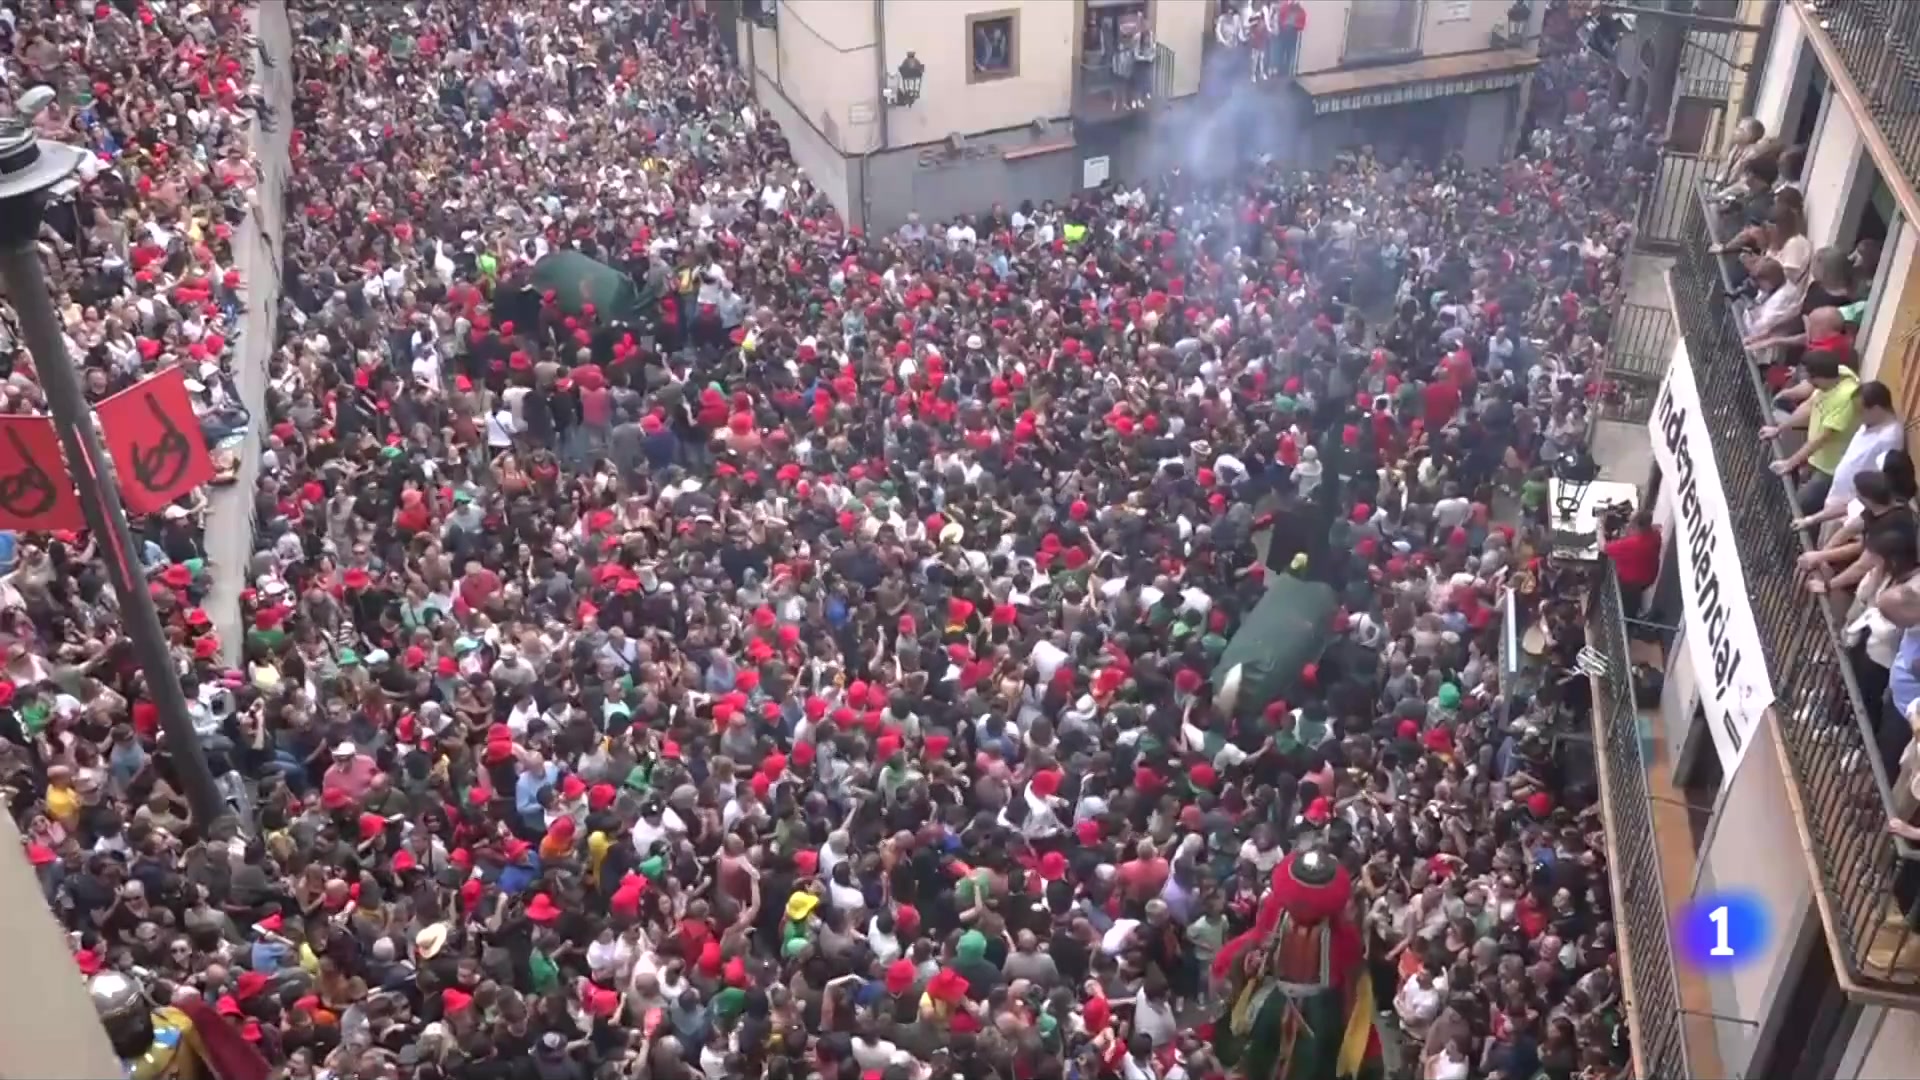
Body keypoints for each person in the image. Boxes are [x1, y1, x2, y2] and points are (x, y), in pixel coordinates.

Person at [1602, 510, 1662, 611]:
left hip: (1631, 585)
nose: (1628, 525)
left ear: (1637, 526)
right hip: (1649, 577)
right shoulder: (1655, 535)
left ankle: (1630, 615)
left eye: (1631, 523)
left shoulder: (1633, 544)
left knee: (1625, 607)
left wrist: (1599, 528)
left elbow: (1603, 547)